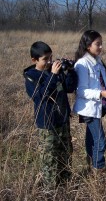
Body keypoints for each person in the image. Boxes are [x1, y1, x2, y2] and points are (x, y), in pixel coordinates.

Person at [24, 41, 77, 188]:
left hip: (62, 120)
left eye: (50, 58)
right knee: (50, 159)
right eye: (45, 59)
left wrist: (70, 71)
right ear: (34, 60)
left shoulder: (56, 71)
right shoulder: (31, 76)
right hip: (47, 125)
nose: (49, 62)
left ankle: (66, 186)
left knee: (65, 155)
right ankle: (51, 190)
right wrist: (53, 75)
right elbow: (41, 95)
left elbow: (70, 88)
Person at [73, 30, 106, 173]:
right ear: (87, 46)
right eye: (98, 44)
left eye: (101, 44)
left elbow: (103, 84)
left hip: (97, 107)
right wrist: (101, 94)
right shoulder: (82, 64)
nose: (101, 47)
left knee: (92, 138)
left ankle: (92, 163)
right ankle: (99, 168)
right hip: (88, 108)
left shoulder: (98, 62)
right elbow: (81, 91)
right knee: (100, 141)